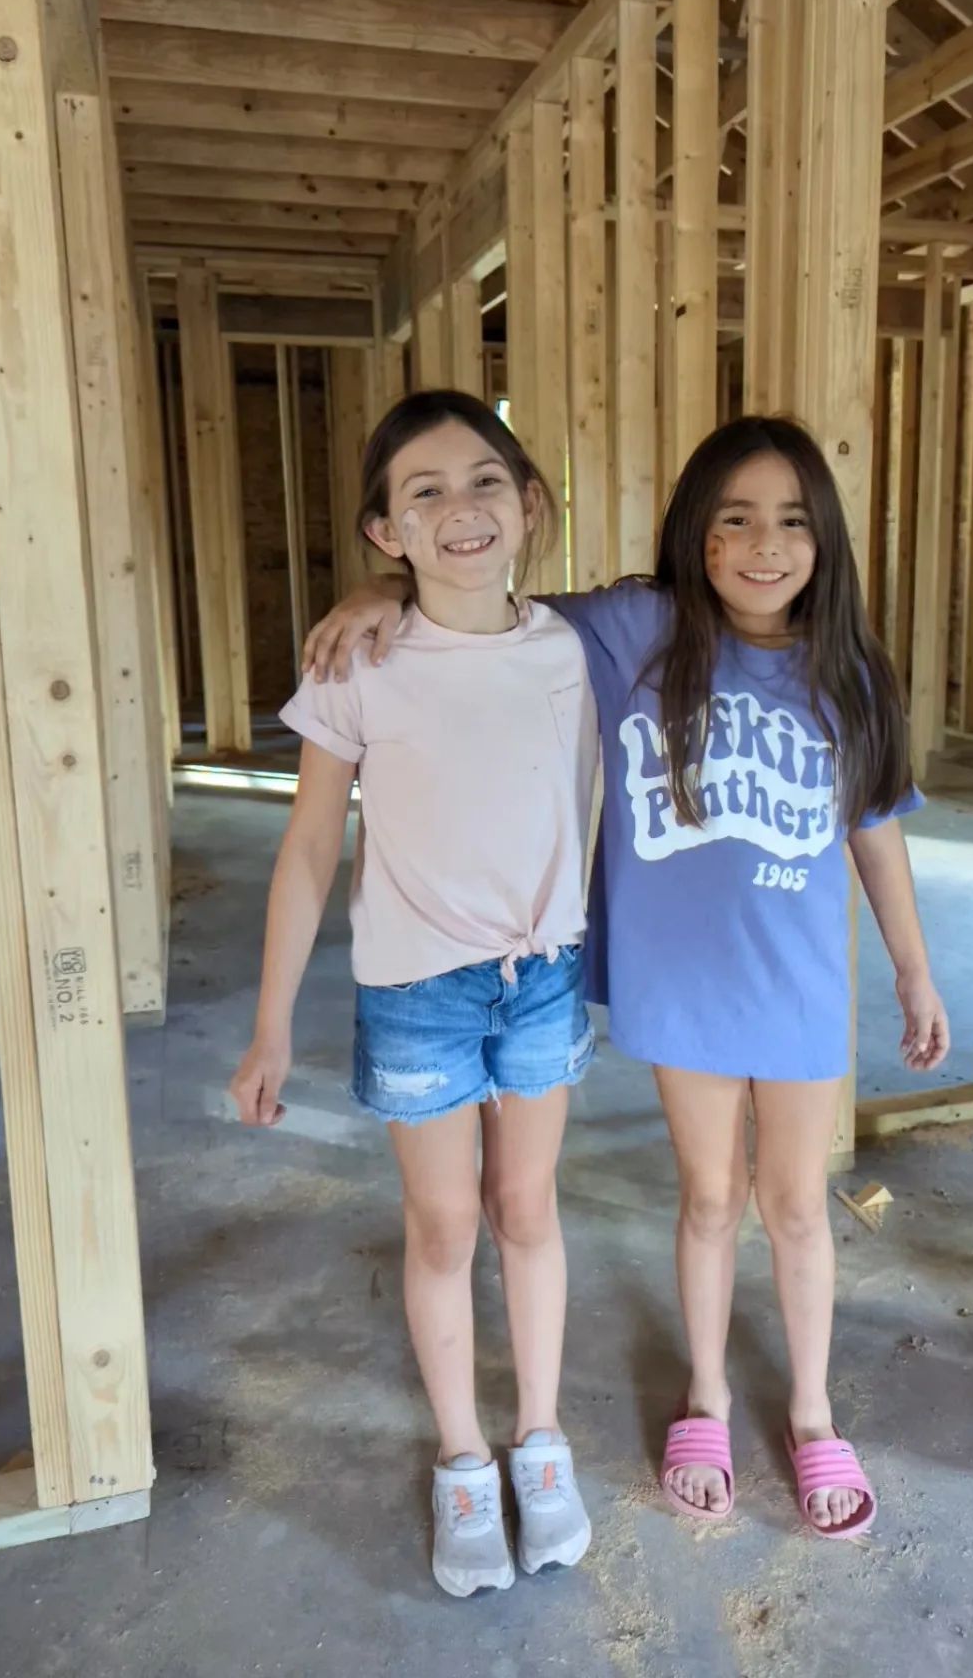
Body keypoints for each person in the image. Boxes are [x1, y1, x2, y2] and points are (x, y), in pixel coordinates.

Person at [303, 415, 949, 1543]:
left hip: (799, 986)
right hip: (684, 984)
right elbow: (480, 595)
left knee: (797, 1204)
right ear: (694, 532)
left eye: (793, 521)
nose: (762, 544)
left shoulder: (850, 670)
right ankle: (705, 1394)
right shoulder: (637, 631)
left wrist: (914, 970)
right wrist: (379, 588)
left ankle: (811, 1410)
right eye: (735, 518)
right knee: (708, 1198)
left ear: (825, 541)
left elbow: (877, 830)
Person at [229, 391, 599, 1598]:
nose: (461, 508)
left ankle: (540, 1444)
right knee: (445, 1227)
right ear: (384, 533)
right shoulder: (359, 666)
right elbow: (305, 851)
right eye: (423, 492)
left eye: (485, 480)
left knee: (526, 1209)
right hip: (418, 994)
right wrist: (272, 1023)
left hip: (541, 979)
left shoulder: (574, 646)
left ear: (529, 504)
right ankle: (460, 1458)